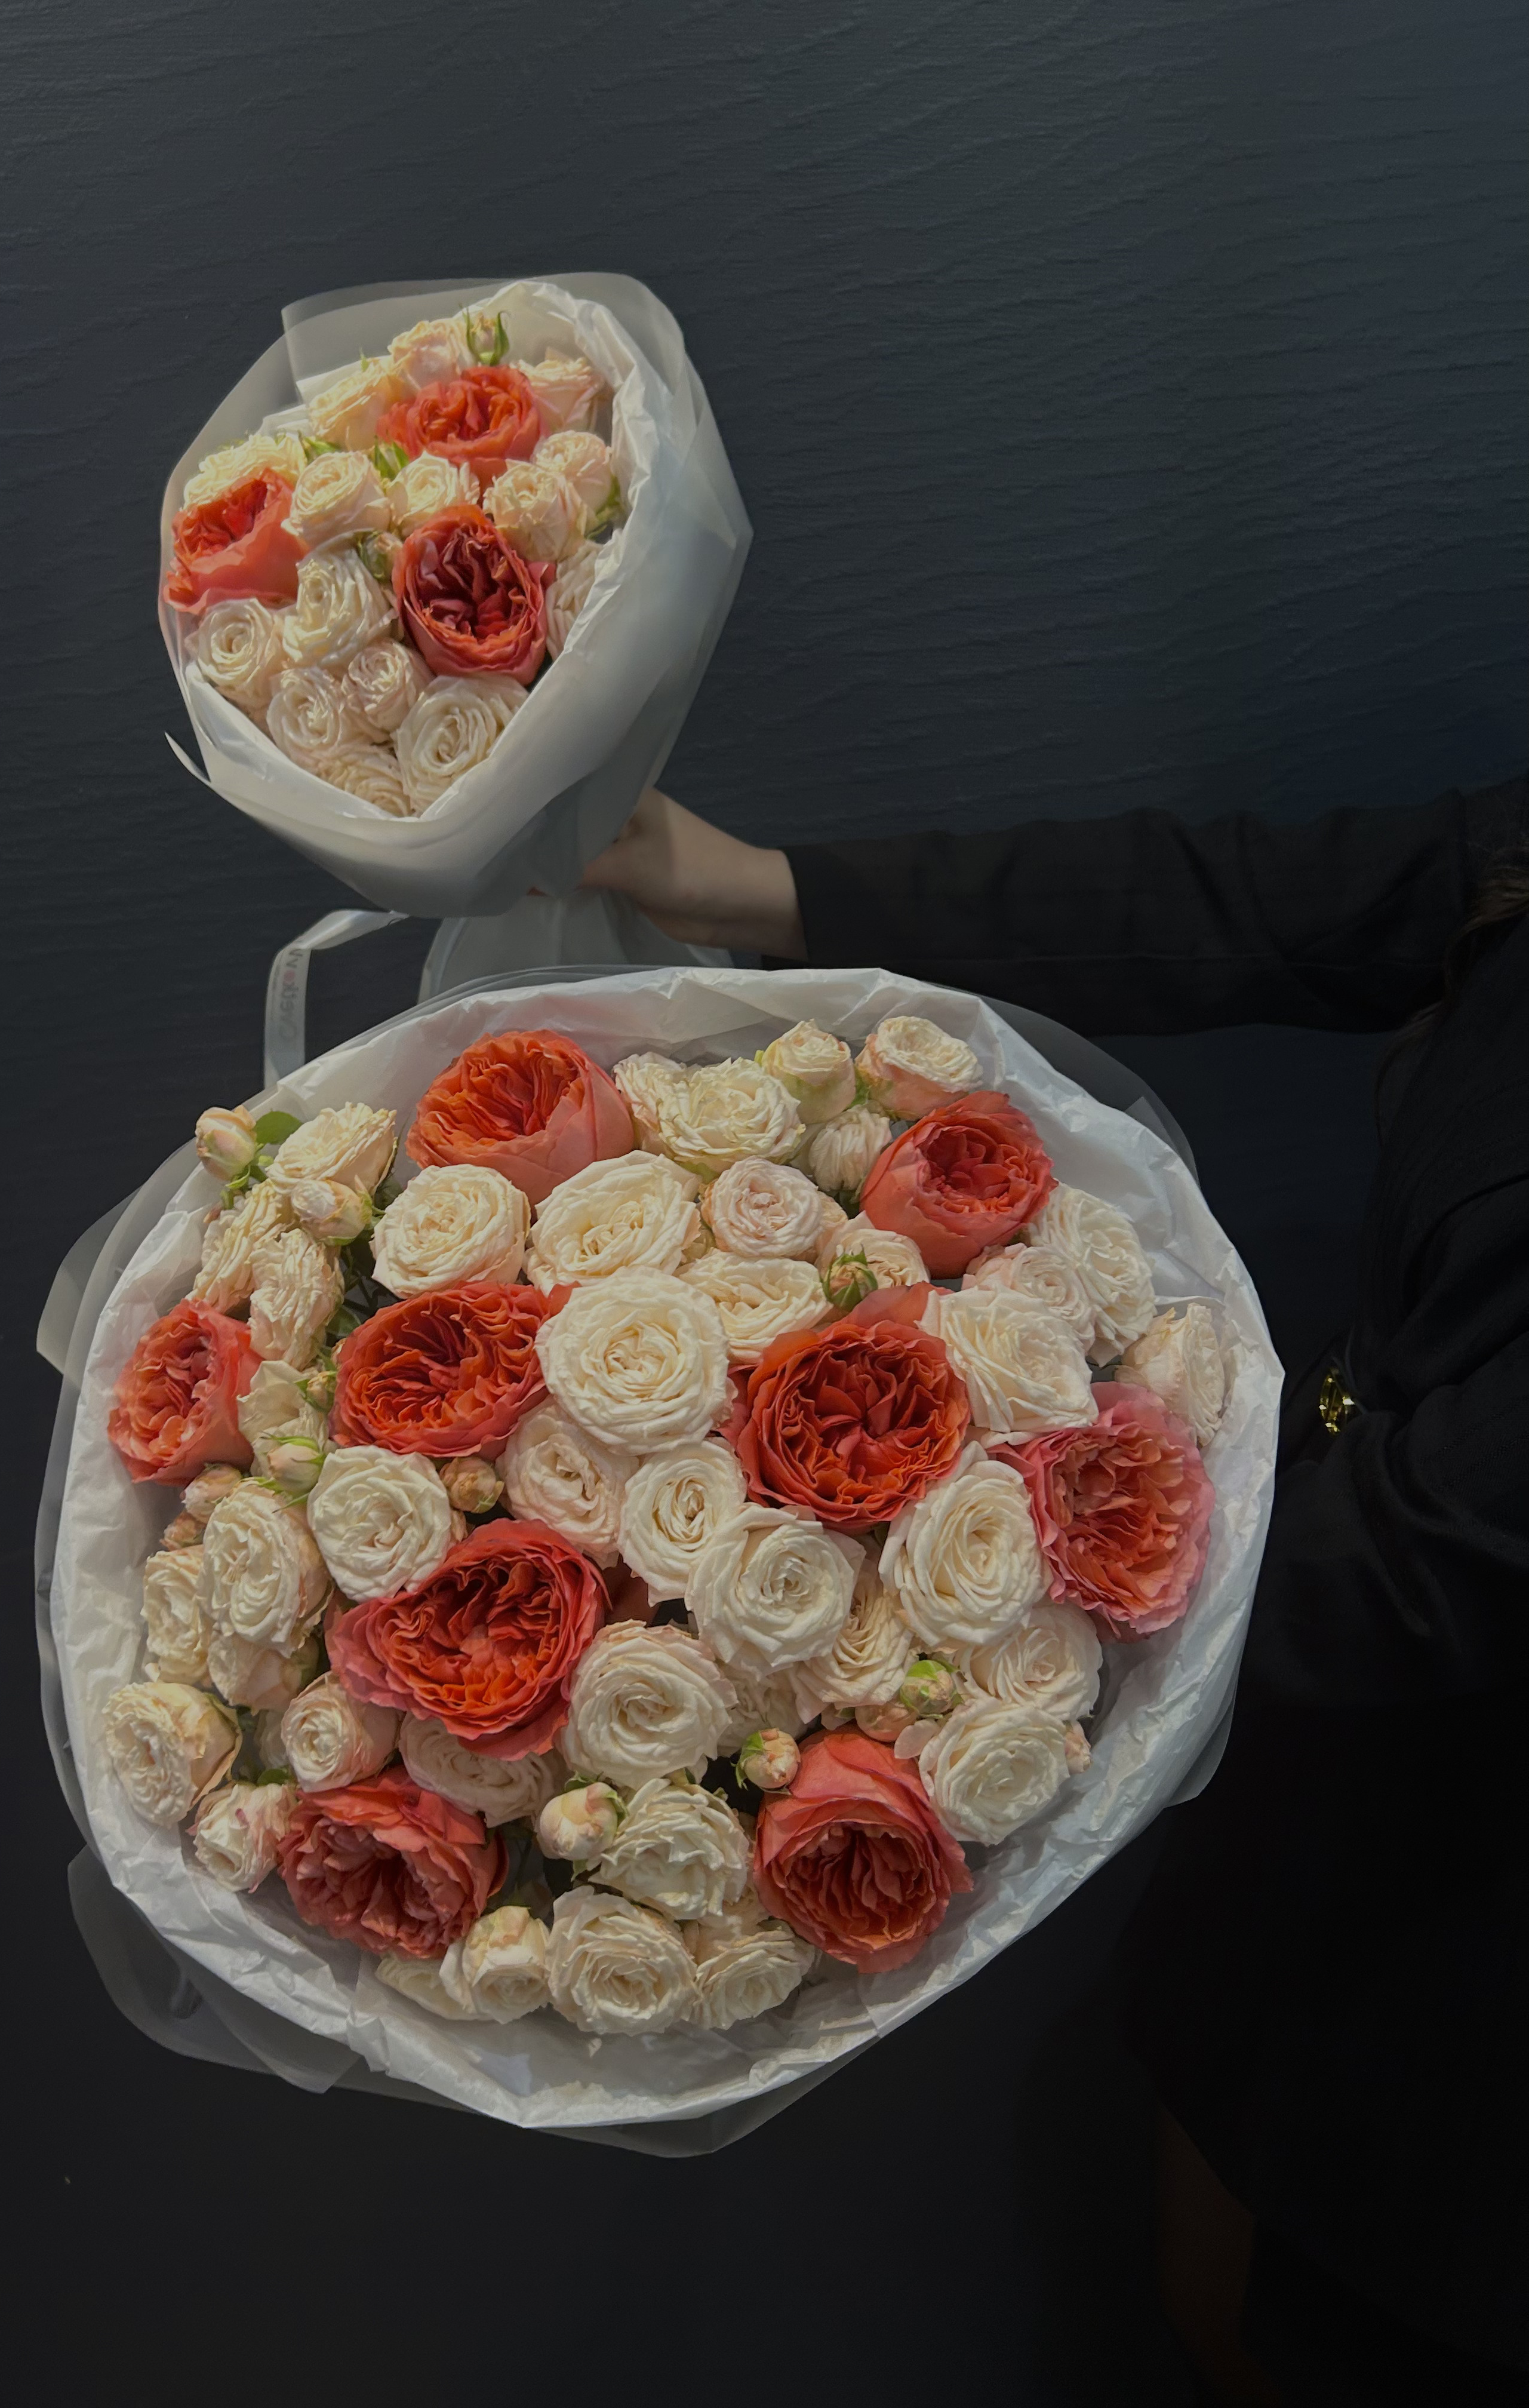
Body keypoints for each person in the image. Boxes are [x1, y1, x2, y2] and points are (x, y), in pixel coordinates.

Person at [583, 782, 1528, 2402]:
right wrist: (755, 885)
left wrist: (928, 1594)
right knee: (1210, 2245)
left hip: (1473, 1877)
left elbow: (1444, 1550)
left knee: (1353, 2306)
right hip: (1301, 1720)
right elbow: (1257, 891)